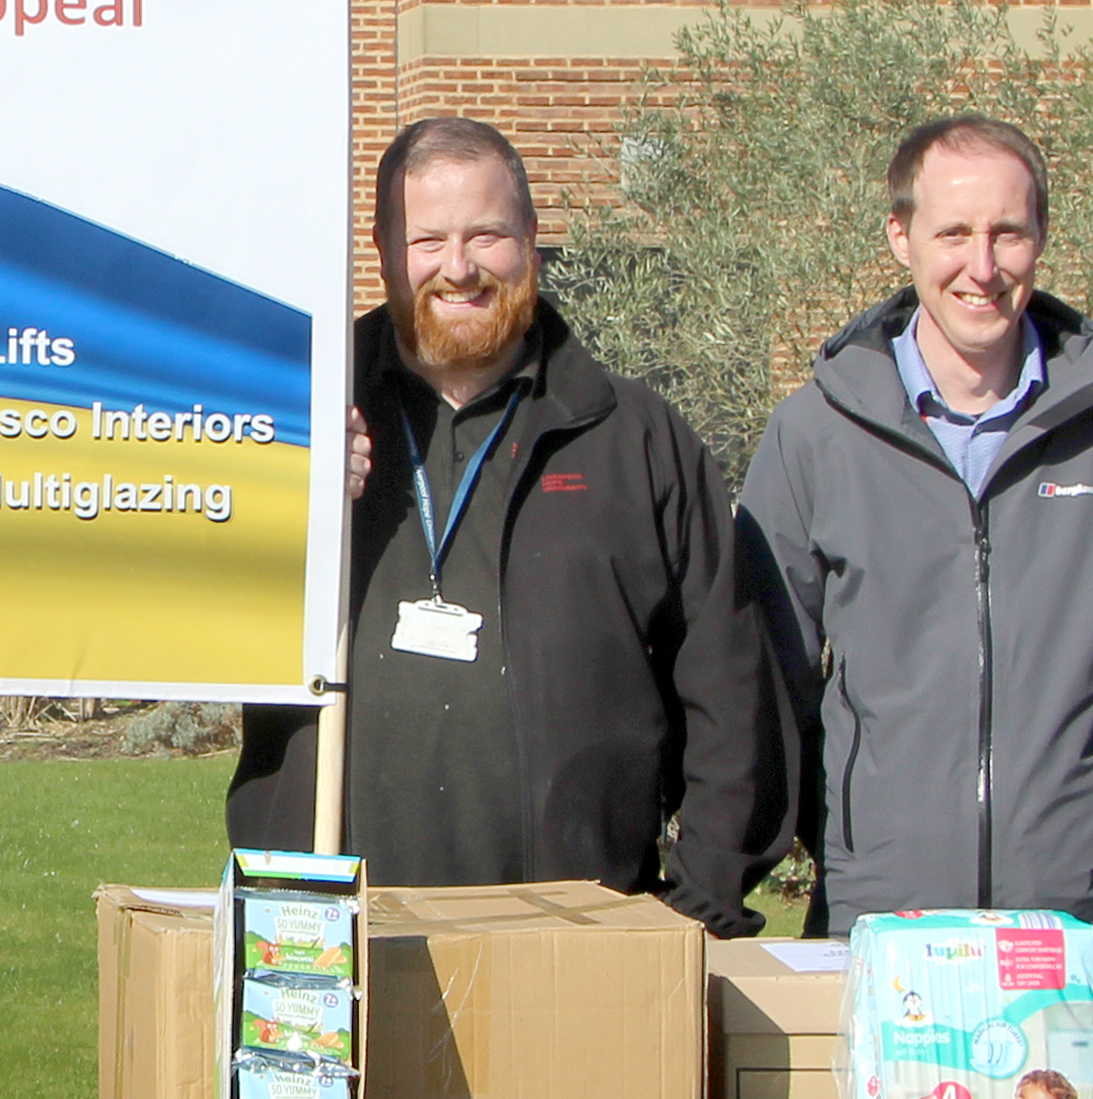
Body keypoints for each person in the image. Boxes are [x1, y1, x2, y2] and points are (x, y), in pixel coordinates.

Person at [226, 115, 791, 928]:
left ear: (530, 237)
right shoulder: (296, 422)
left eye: (486, 235)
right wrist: (283, 499)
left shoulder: (633, 439)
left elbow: (731, 693)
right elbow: (182, 609)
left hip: (570, 936)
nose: (457, 270)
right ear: (383, 249)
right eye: (427, 241)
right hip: (323, 932)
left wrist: (695, 904)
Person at [739, 115, 1093, 1095]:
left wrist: (1080, 777)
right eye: (954, 233)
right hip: (891, 920)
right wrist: (858, 809)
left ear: (1040, 238)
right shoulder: (816, 431)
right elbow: (768, 663)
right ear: (900, 236)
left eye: (1009, 233)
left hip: (1078, 918)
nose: (981, 266)